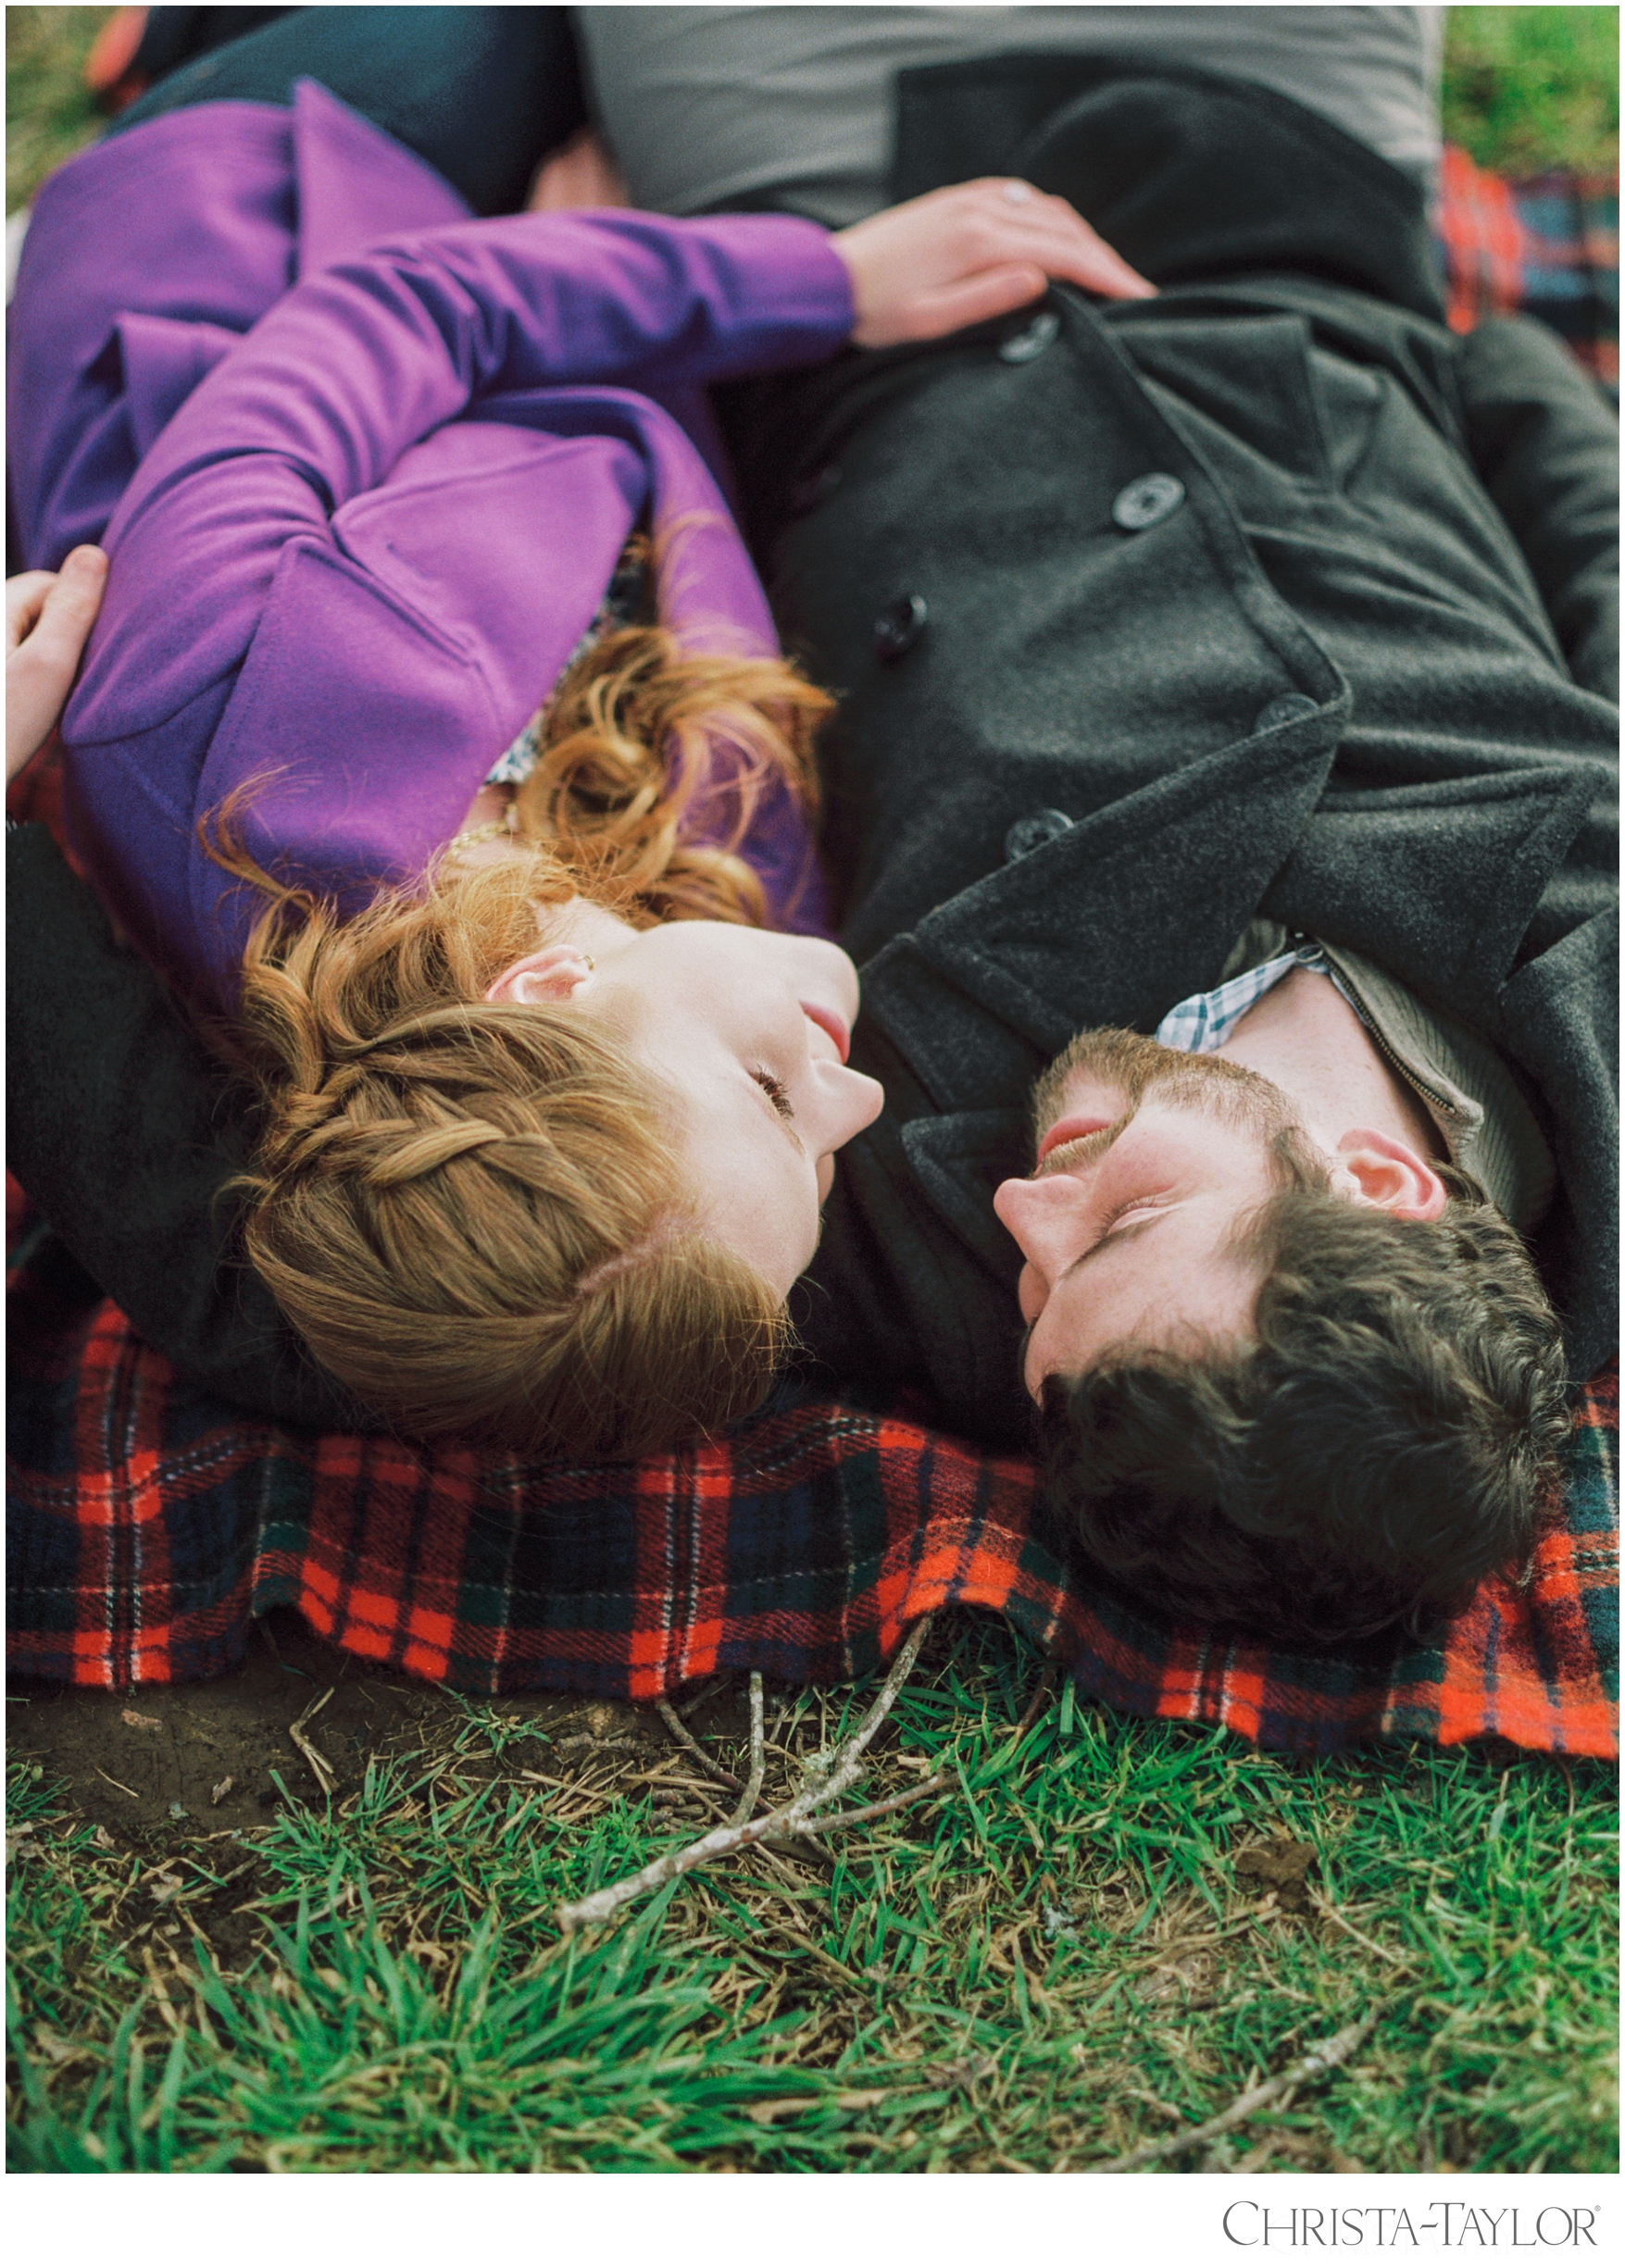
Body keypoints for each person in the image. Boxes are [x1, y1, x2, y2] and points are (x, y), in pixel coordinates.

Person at [10, 8, 1617, 1647]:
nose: (1021, 1222)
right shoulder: (1597, 1011)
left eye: (1040, 1308)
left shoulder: (870, 1224)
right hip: (1289, 201)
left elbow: (362, 1280)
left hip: (843, 193)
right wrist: (1498, 366)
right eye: (1122, 1221)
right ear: (1380, 1180)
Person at [6, 25, 1146, 1461]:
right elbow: (656, 520)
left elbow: (398, 313)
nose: (854, 1094)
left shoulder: (208, 710)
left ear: (548, 982)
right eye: (818, 1148)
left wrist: (814, 284)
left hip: (264, 236)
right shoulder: (723, 927)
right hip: (539, 304)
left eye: (773, 1096)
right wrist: (609, 277)